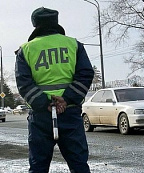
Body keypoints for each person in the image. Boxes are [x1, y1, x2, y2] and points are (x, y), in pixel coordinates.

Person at [15, 7, 94, 173]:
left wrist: (44, 103)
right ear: (56, 22)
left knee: (38, 167)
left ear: (35, 25)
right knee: (79, 164)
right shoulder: (74, 45)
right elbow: (85, 74)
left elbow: (24, 83)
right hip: (70, 113)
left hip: (41, 117)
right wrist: (67, 98)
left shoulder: (26, 50)